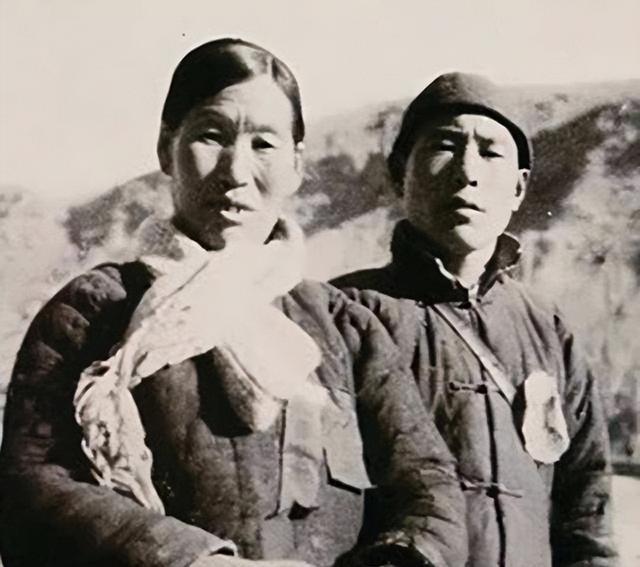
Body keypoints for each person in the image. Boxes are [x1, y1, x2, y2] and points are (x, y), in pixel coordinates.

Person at [0, 40, 466, 567]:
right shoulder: (94, 312)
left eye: (263, 144)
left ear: (296, 165)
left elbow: (429, 491)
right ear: (166, 149)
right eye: (211, 136)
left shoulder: (344, 329)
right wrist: (194, 562)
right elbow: (32, 485)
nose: (235, 171)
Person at [333, 72, 617, 567]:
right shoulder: (344, 312)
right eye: (445, 146)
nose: (467, 171)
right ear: (399, 174)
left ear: (518, 188)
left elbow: (586, 508)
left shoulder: (548, 328)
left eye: (490, 152)